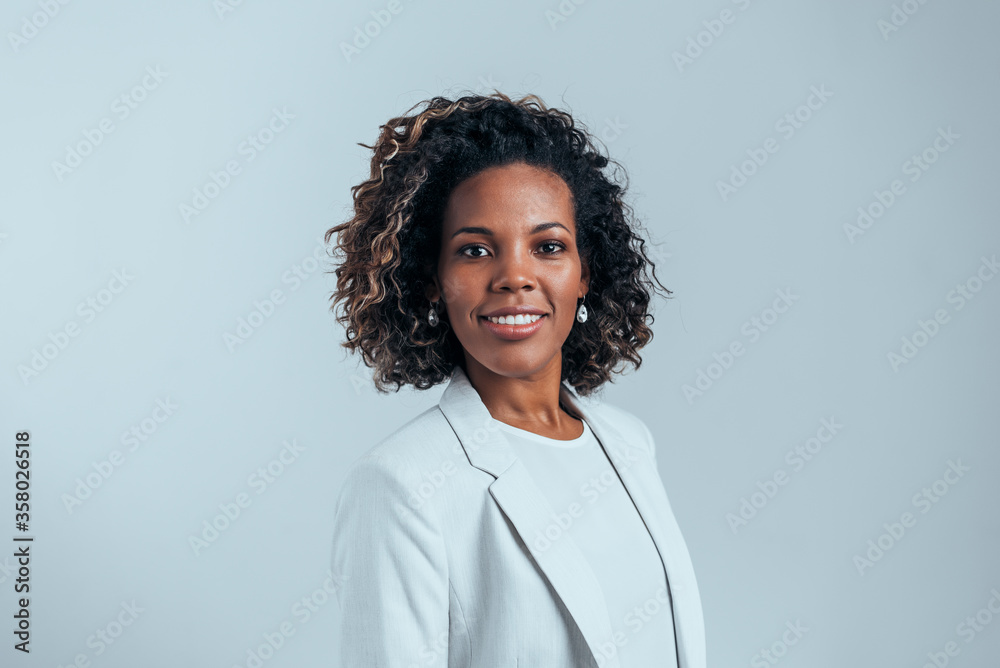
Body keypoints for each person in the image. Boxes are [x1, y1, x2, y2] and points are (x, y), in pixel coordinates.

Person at [326, 91, 705, 668]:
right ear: (432, 280)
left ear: (585, 275)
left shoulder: (630, 444)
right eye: (475, 250)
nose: (515, 278)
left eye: (548, 246)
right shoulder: (400, 486)